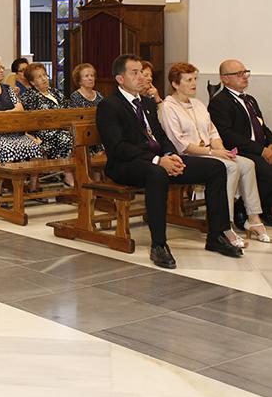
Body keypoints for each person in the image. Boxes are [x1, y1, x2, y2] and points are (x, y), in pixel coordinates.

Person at [95, 54, 241, 269]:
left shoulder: (145, 102)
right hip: (126, 165)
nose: (140, 76)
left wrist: (171, 155)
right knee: (157, 173)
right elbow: (118, 147)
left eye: (140, 71)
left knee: (216, 167)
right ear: (120, 79)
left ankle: (216, 236)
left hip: (158, 159)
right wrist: (157, 160)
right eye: (134, 72)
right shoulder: (109, 105)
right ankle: (159, 245)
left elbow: (161, 137)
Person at [159, 63, 272, 245]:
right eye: (188, 80)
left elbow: (213, 132)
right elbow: (181, 144)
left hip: (209, 152)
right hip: (187, 156)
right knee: (230, 167)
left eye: (195, 78)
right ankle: (223, 225)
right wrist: (214, 152)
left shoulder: (198, 104)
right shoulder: (168, 106)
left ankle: (254, 219)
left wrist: (220, 150)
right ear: (175, 84)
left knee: (248, 164)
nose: (194, 83)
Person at [208, 59, 272, 228]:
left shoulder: (250, 99)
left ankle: (265, 206)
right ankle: (241, 209)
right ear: (224, 78)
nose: (245, 77)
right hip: (242, 151)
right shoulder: (219, 102)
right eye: (239, 74)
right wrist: (261, 151)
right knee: (270, 176)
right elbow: (227, 135)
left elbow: (263, 126)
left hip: (263, 148)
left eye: (245, 72)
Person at [20, 63, 75, 181]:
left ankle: (75, 173)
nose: (44, 78)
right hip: (41, 133)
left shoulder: (55, 92)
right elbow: (29, 120)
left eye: (44, 75)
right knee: (66, 138)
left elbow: (67, 110)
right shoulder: (30, 96)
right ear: (33, 82)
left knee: (80, 136)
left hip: (61, 129)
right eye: (39, 77)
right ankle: (67, 175)